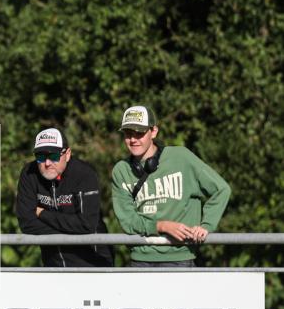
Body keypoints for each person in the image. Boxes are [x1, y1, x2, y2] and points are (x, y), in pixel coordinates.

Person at [111, 105, 230, 266]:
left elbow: (221, 189)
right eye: (128, 134)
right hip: (140, 260)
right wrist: (162, 226)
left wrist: (206, 225)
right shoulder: (121, 170)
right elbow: (128, 221)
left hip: (180, 259)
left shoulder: (181, 157)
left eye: (139, 133)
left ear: (153, 132)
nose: (133, 139)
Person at [15, 127, 114, 266]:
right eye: (41, 156)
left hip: (93, 264)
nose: (47, 163)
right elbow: (26, 224)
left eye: (54, 156)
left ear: (67, 154)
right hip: (53, 265)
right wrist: (70, 229)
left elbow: (87, 225)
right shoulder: (29, 173)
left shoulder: (84, 174)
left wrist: (42, 213)